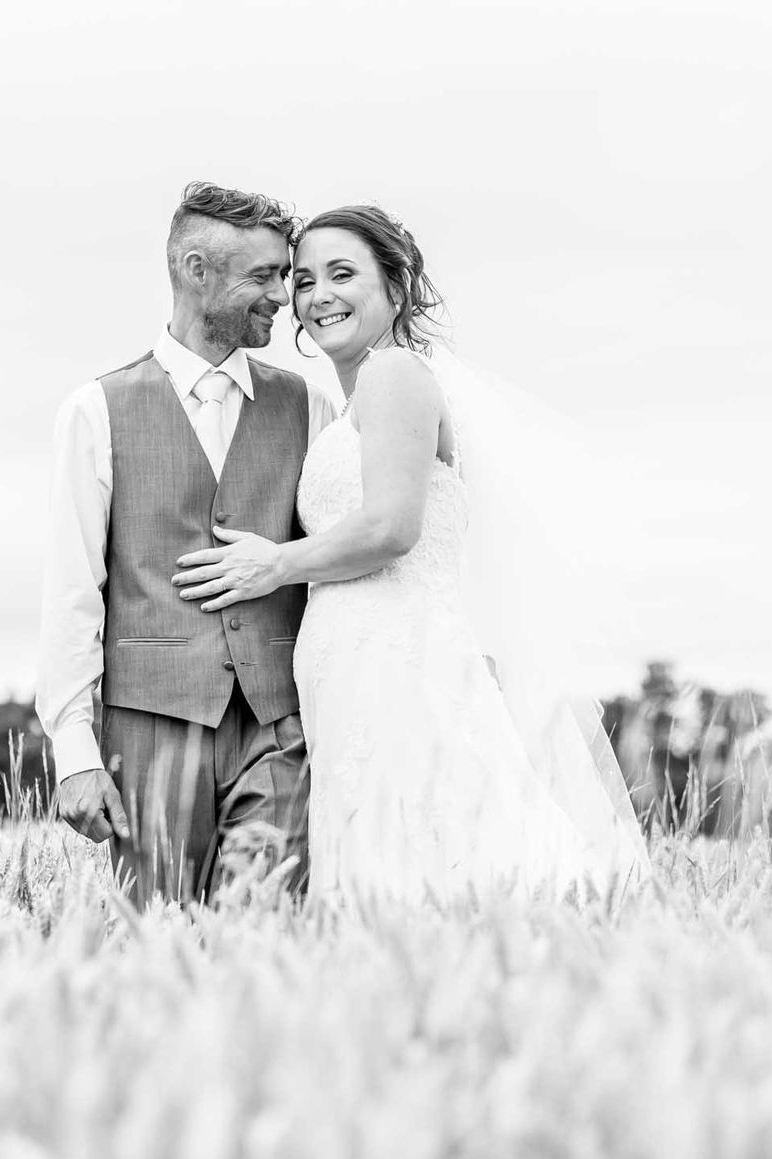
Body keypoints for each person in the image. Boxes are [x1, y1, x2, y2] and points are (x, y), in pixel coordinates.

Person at [172, 205, 649, 899]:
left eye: (342, 274)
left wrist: (270, 563)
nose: (317, 296)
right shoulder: (354, 403)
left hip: (401, 664)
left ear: (395, 289)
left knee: (440, 866)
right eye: (302, 281)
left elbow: (392, 527)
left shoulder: (394, 374)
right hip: (354, 671)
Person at [35, 181, 337, 906]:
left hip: (280, 723)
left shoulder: (312, 404)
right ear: (196, 270)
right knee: (158, 939)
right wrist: (74, 752)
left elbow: (337, 563)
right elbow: (73, 593)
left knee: (263, 931)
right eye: (263, 276)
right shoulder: (95, 411)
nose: (282, 296)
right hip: (148, 728)